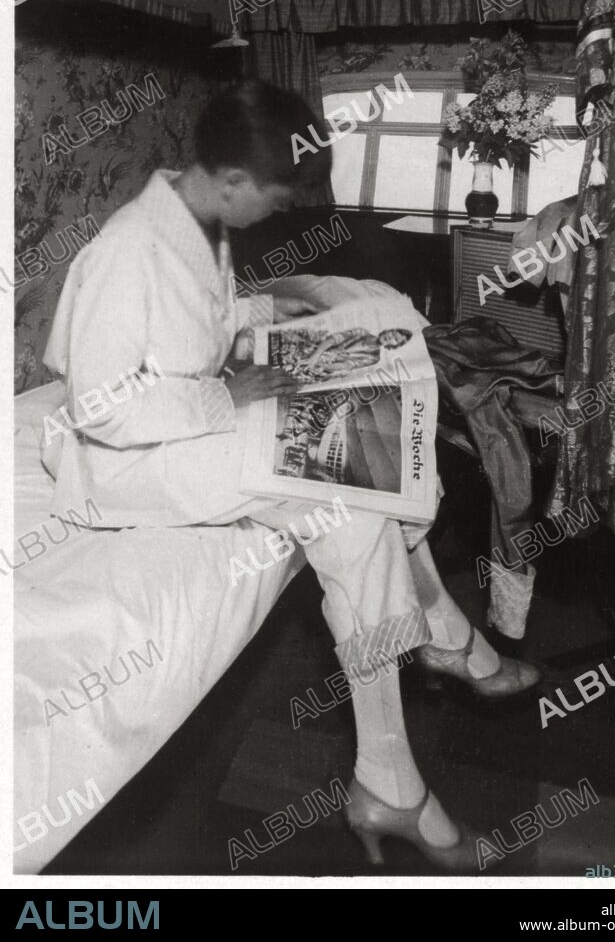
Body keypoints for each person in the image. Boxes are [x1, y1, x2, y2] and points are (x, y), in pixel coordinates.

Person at [40, 79, 539, 870]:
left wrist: (269, 318)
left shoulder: (203, 222)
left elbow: (197, 318)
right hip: (126, 465)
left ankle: (390, 772)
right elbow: (100, 405)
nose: (275, 215)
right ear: (232, 181)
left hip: (186, 427)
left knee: (355, 503)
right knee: (351, 482)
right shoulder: (126, 251)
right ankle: (434, 648)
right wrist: (223, 394)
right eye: (272, 197)